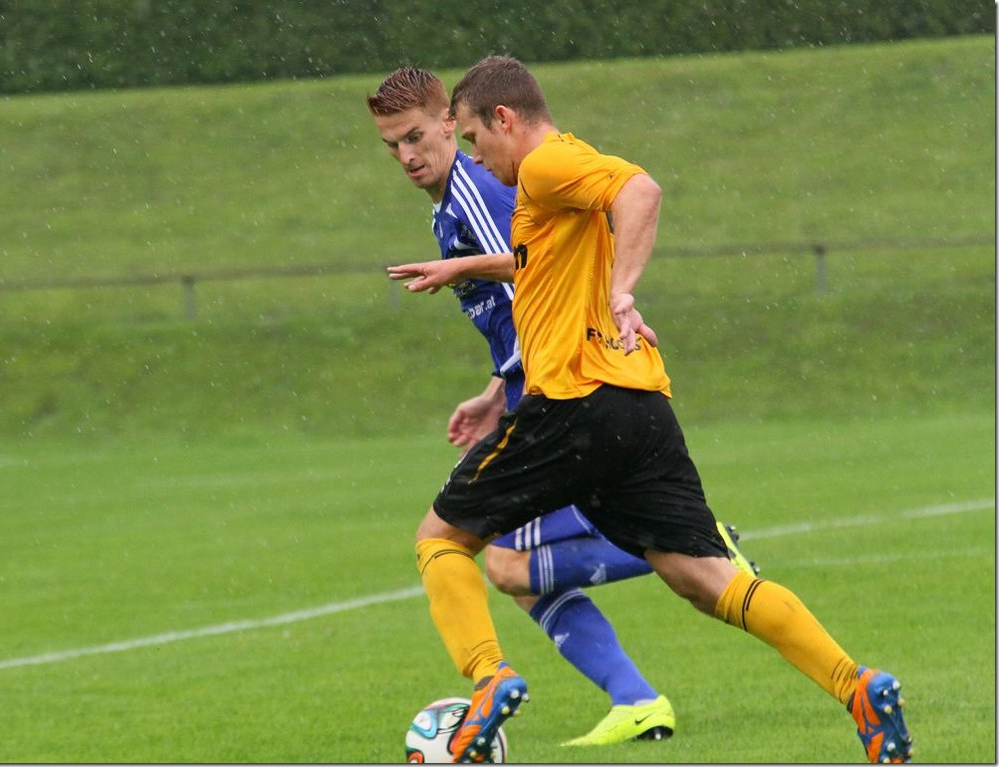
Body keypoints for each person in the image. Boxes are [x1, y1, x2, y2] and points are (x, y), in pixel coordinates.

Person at [387, 56, 913, 764]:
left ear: (505, 120)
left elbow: (641, 189)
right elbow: (543, 264)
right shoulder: (554, 186)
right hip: (639, 404)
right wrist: (467, 275)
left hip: (572, 404)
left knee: (442, 540)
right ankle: (858, 687)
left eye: (477, 140)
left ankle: (489, 680)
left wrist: (622, 292)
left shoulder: (543, 165)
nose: (477, 158)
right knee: (705, 578)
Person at [366, 67, 761, 748]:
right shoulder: (449, 204)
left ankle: (703, 555)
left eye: (415, 137)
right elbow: (524, 298)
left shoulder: (476, 190)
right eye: (391, 145)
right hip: (538, 386)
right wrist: (495, 391)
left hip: (564, 394)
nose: (406, 155)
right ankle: (635, 697)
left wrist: (471, 282)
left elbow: (536, 269)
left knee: (498, 561)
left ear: (450, 125)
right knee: (516, 574)